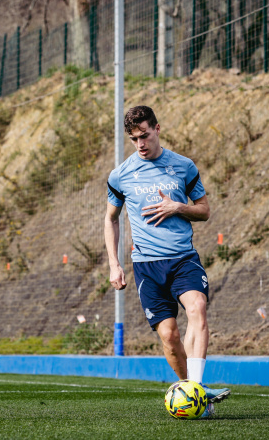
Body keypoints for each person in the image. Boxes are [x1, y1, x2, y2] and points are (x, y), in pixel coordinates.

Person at [104, 105, 229, 415]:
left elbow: (204, 210)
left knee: (197, 308)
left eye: (145, 136)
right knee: (169, 336)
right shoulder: (120, 175)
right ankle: (192, 389)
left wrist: (177, 207)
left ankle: (196, 390)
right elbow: (111, 219)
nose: (141, 144)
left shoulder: (183, 166)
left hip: (183, 258)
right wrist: (114, 263)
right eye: (134, 139)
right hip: (146, 266)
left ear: (157, 129)